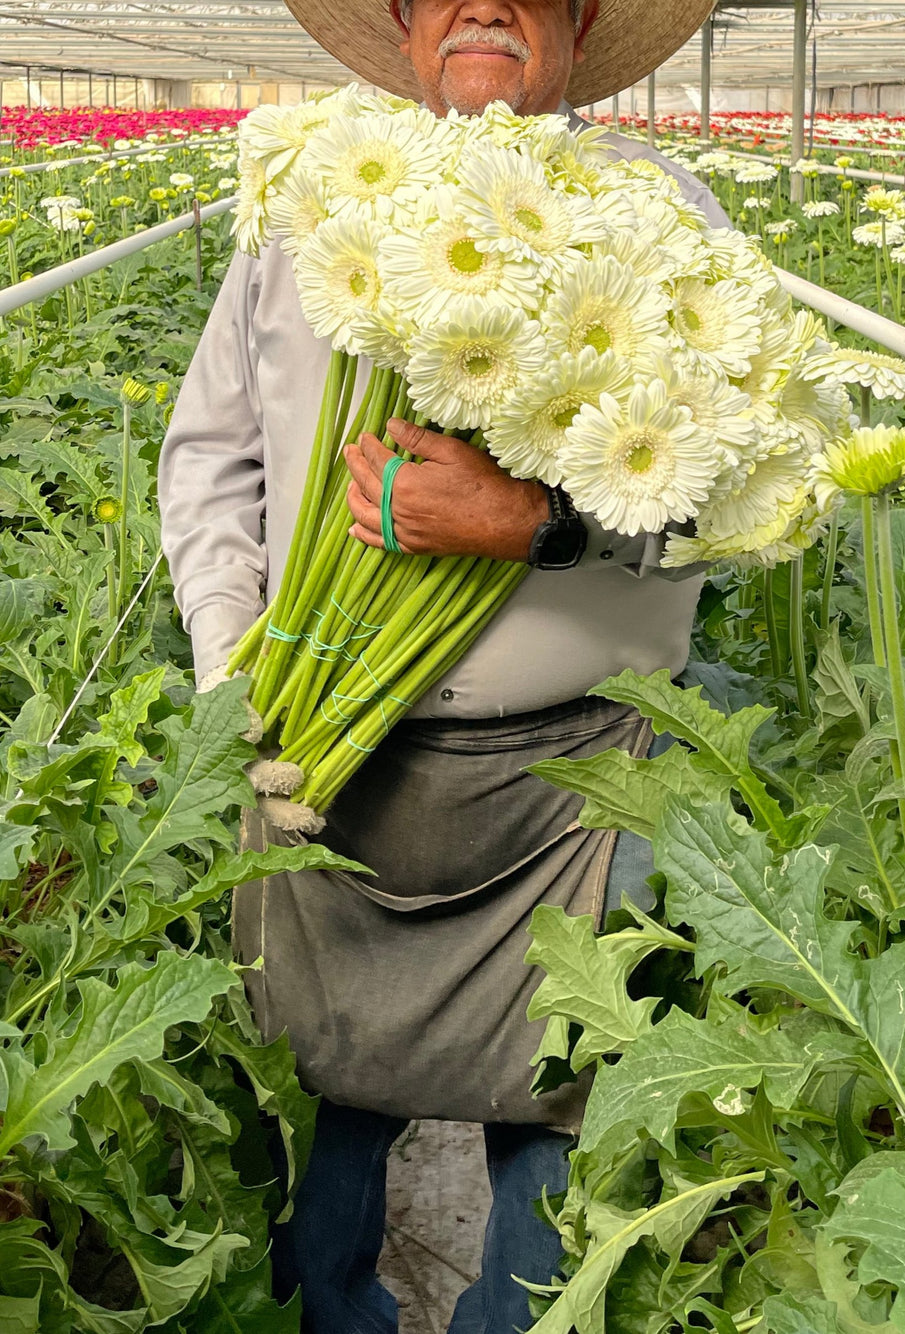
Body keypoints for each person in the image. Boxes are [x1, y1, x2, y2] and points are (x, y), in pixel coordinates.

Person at [158, 2, 726, 1330]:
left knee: (561, 1143)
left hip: (585, 784)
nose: (482, 2)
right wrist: (228, 659)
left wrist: (540, 522)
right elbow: (208, 455)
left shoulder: (663, 216)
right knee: (318, 1115)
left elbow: (745, 488)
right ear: (403, 28)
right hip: (327, 769)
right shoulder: (309, 206)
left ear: (581, 25)